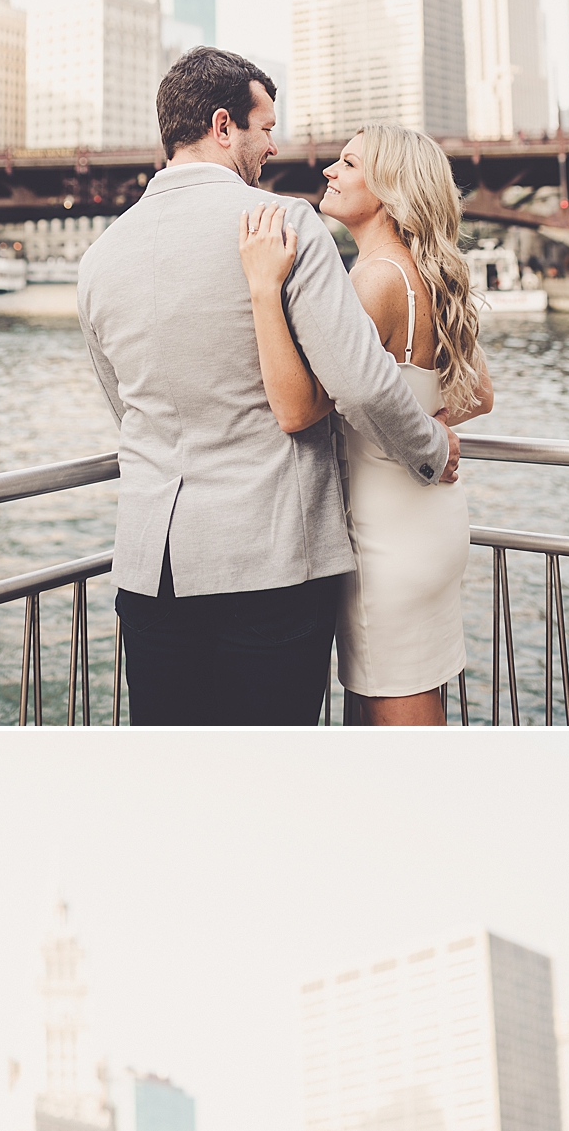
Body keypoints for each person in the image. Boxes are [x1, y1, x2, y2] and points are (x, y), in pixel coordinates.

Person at [76, 48, 459, 727]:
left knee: (177, 780)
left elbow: (123, 406)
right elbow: (362, 385)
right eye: (264, 127)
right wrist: (430, 447)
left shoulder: (99, 258)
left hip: (151, 570)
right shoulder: (284, 222)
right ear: (224, 126)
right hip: (272, 566)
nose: (273, 145)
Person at [239, 126, 493, 726]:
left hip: (384, 541)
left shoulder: (374, 280)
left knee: (392, 706)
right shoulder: (428, 275)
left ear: (387, 190)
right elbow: (479, 393)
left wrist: (264, 287)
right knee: (396, 695)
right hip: (429, 521)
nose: (328, 170)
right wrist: (425, 418)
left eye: (348, 163)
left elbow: (301, 405)